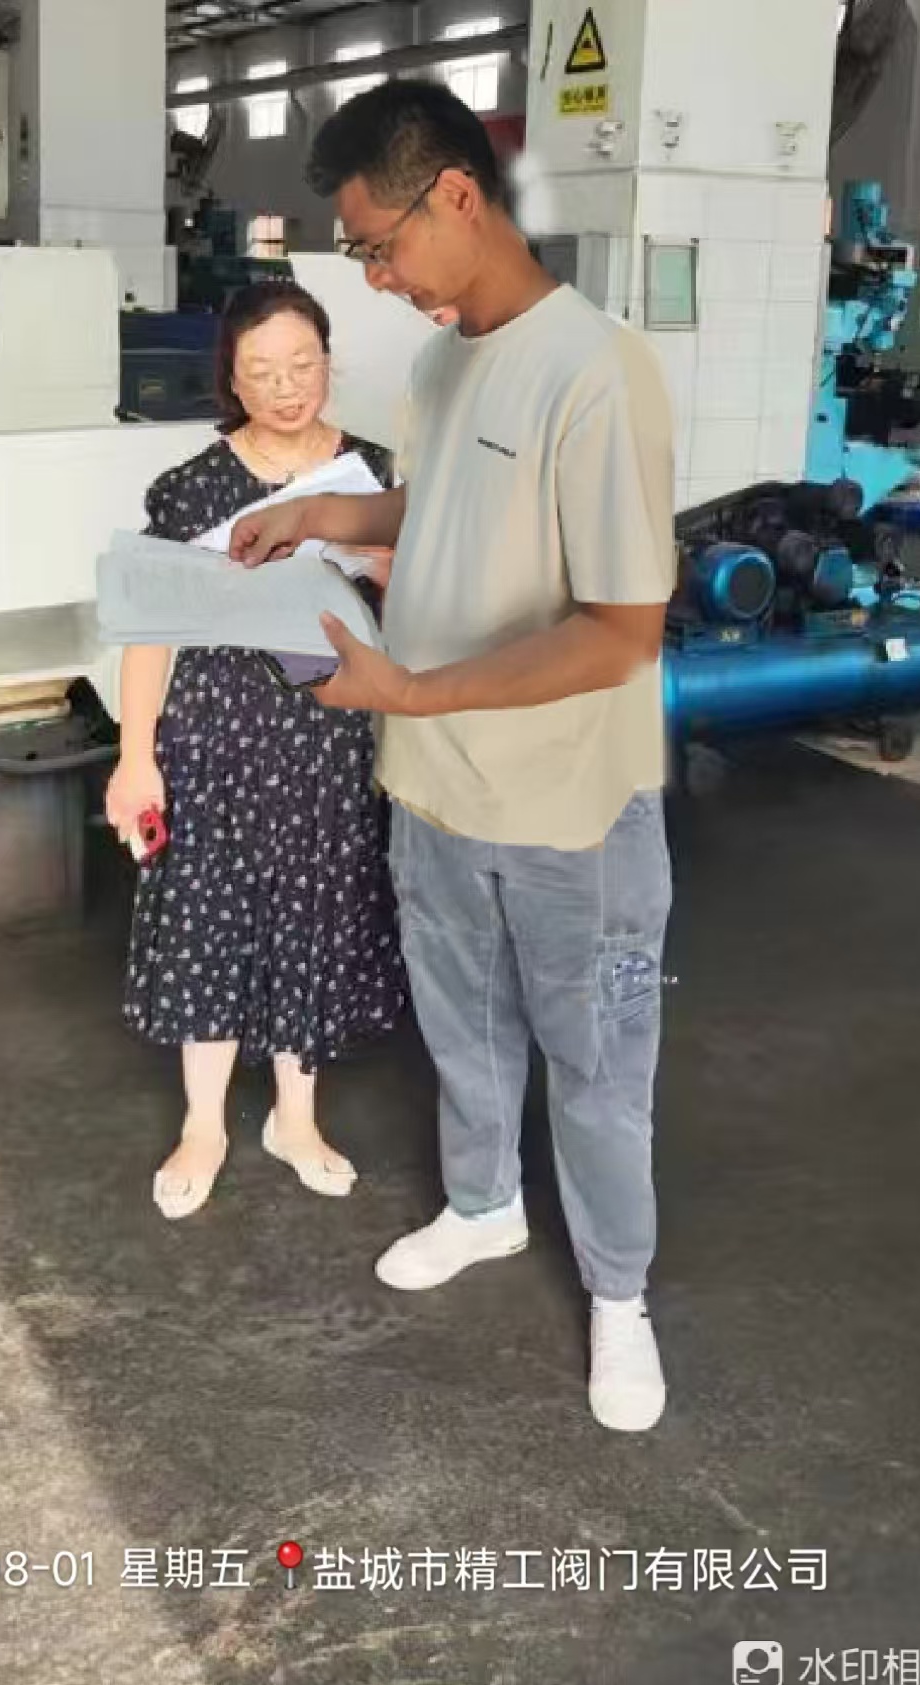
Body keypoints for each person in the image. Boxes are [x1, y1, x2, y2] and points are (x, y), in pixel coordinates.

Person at [229, 83, 676, 1432]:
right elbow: (442, 504)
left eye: (378, 246)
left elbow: (619, 632)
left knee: (596, 1061)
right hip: (433, 787)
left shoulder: (596, 371)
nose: (374, 277)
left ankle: (617, 1292)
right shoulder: (439, 365)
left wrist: (411, 687)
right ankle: (483, 1204)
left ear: (459, 196)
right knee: (462, 1026)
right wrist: (324, 514)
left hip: (568, 804)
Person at [104, 280, 408, 1221]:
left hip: (327, 732)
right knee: (210, 914)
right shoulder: (191, 486)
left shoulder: (371, 476)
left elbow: (411, 608)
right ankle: (203, 1125)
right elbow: (149, 630)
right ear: (230, 380)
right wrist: (136, 757)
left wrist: (391, 565)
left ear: (328, 362)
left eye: (303, 365)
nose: (286, 387)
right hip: (214, 735)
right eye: (262, 371)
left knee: (312, 912)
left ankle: (295, 1118)